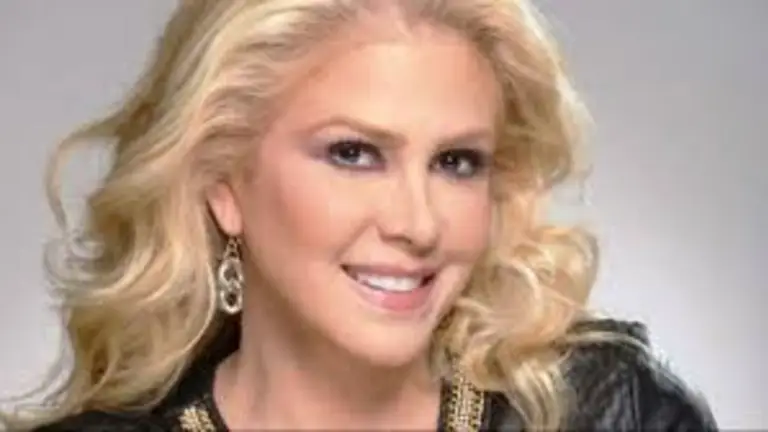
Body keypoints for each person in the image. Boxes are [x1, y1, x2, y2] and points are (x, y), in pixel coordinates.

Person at [4, 0, 717, 430]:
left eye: (456, 162)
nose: (418, 224)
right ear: (224, 184)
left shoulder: (612, 413)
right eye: (353, 153)